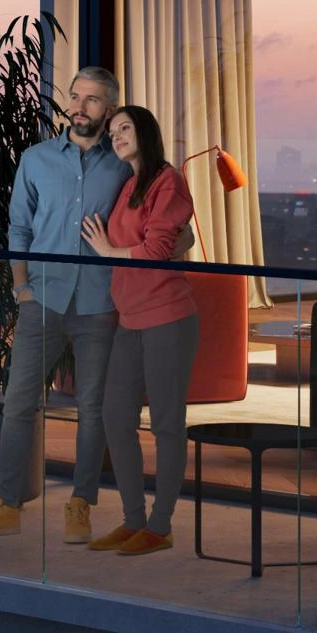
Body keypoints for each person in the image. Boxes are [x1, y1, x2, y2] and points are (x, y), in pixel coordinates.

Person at [0, 64, 123, 542]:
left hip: (100, 302)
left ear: (108, 108)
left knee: (92, 410)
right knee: (18, 405)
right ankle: (4, 504)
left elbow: (159, 217)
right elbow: (19, 229)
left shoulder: (125, 164)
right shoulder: (36, 159)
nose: (78, 106)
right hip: (43, 299)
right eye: (75, 96)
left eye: (91, 99)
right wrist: (20, 288)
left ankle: (80, 505)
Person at [79, 104, 197, 556]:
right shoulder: (129, 184)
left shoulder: (168, 181)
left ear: (145, 131)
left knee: (167, 424)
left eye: (124, 128)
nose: (116, 136)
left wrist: (110, 250)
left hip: (167, 317)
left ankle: (160, 525)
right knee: (114, 417)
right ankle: (132, 520)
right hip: (129, 319)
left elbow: (158, 248)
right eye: (112, 132)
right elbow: (152, 244)